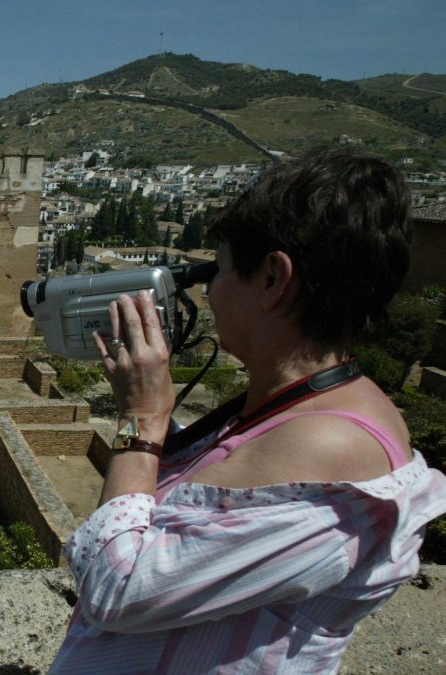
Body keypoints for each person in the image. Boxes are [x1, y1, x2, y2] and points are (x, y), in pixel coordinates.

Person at [50, 148, 446, 673]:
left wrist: (141, 421)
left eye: (220, 269)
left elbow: (118, 589)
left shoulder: (330, 445)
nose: (209, 290)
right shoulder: (300, 406)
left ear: (271, 280)